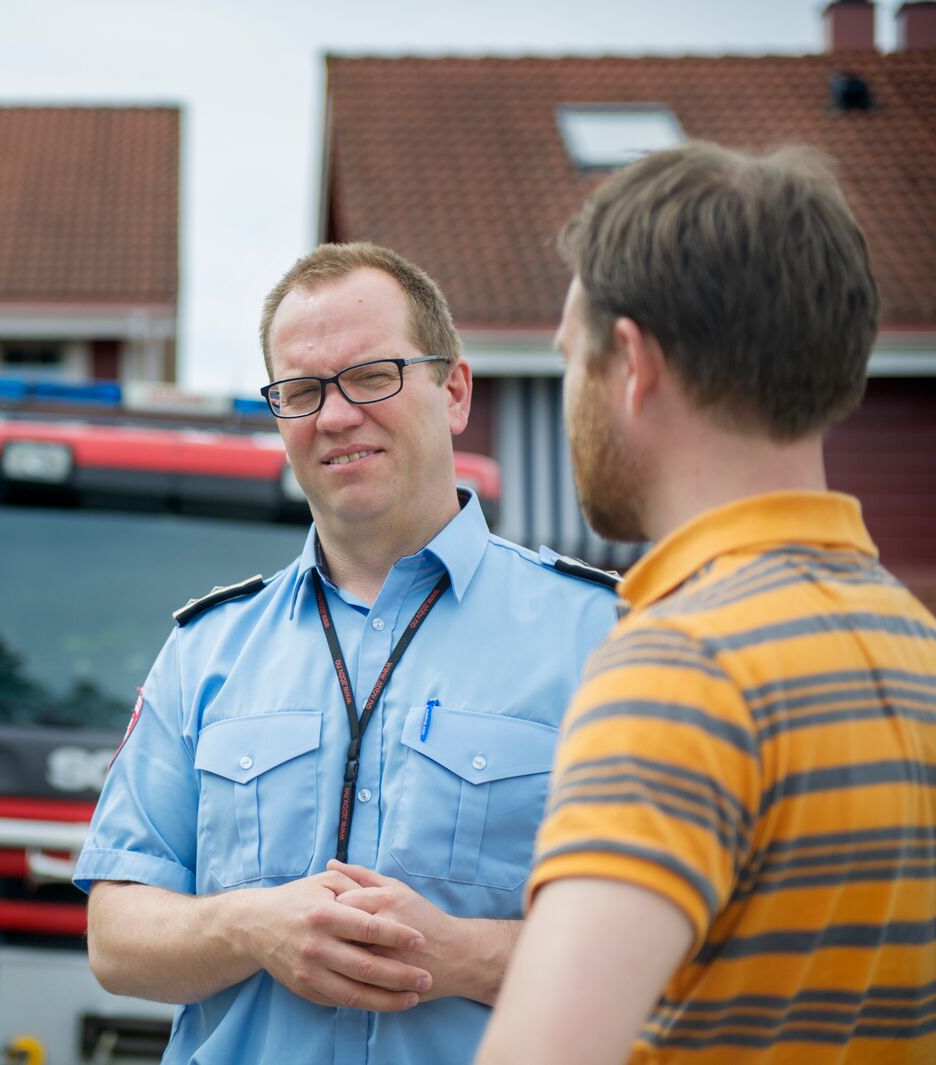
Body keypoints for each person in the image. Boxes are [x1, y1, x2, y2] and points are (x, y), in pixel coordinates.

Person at [74, 241, 621, 1064]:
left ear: (455, 390)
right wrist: (252, 926)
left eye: (373, 376)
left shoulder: (600, 638)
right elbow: (115, 935)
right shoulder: (205, 650)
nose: (334, 416)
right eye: (301, 391)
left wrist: (464, 956)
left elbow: (673, 946)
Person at [475, 142, 936, 1064]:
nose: (569, 396)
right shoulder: (916, 645)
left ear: (633, 364)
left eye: (571, 357)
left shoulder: (680, 668)